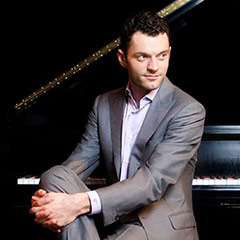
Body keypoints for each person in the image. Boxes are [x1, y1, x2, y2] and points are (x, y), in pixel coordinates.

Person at [30, 10, 205, 240]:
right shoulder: (104, 104)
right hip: (112, 219)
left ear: (169, 53)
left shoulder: (188, 109)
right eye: (142, 57)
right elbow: (76, 166)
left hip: (157, 225)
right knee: (54, 176)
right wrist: (50, 201)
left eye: (162, 56)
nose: (155, 67)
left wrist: (76, 203)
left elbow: (150, 184)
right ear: (122, 58)